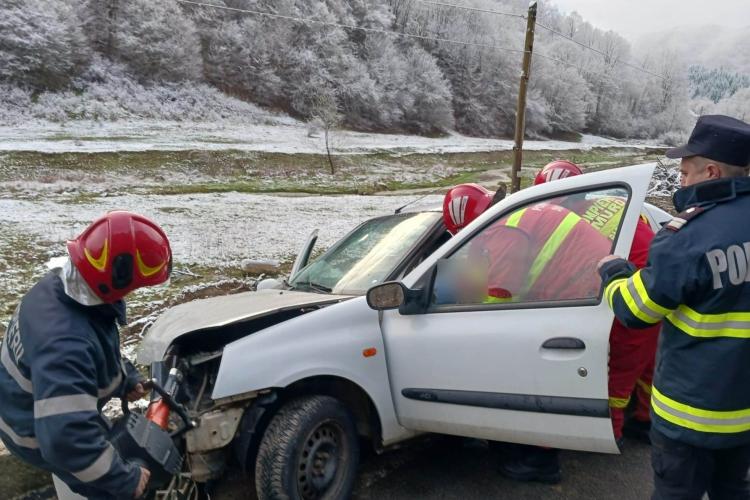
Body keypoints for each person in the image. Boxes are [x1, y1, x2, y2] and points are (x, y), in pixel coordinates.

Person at [598, 114, 750, 499]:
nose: (681, 182)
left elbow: (637, 311)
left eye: (685, 173)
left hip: (689, 418)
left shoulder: (687, 237)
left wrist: (616, 273)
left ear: (711, 171)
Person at [0, 211, 173, 499]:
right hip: (34, 434)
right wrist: (124, 480)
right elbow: (67, 440)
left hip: (33, 412)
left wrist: (125, 378)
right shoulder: (64, 344)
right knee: (108, 484)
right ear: (114, 281)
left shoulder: (65, 290)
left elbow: (94, 346)